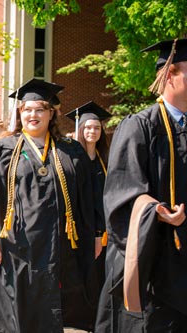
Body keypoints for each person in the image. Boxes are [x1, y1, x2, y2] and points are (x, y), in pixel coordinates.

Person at [0, 79, 97, 332]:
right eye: (27, 109)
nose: (32, 115)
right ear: (20, 113)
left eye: (39, 109)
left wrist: (95, 234)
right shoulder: (1, 149)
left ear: (51, 113)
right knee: (15, 306)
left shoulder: (70, 151)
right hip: (15, 245)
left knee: (52, 304)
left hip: (58, 244)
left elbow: (87, 197)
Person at [96, 37, 187, 332]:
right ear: (170, 73)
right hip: (155, 260)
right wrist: (157, 211)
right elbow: (122, 193)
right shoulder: (139, 126)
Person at [65, 101, 112, 325]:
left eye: (96, 128)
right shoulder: (73, 159)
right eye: (87, 127)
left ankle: (96, 320)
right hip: (78, 227)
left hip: (103, 229)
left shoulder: (106, 159)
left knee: (99, 275)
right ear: (80, 129)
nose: (92, 131)